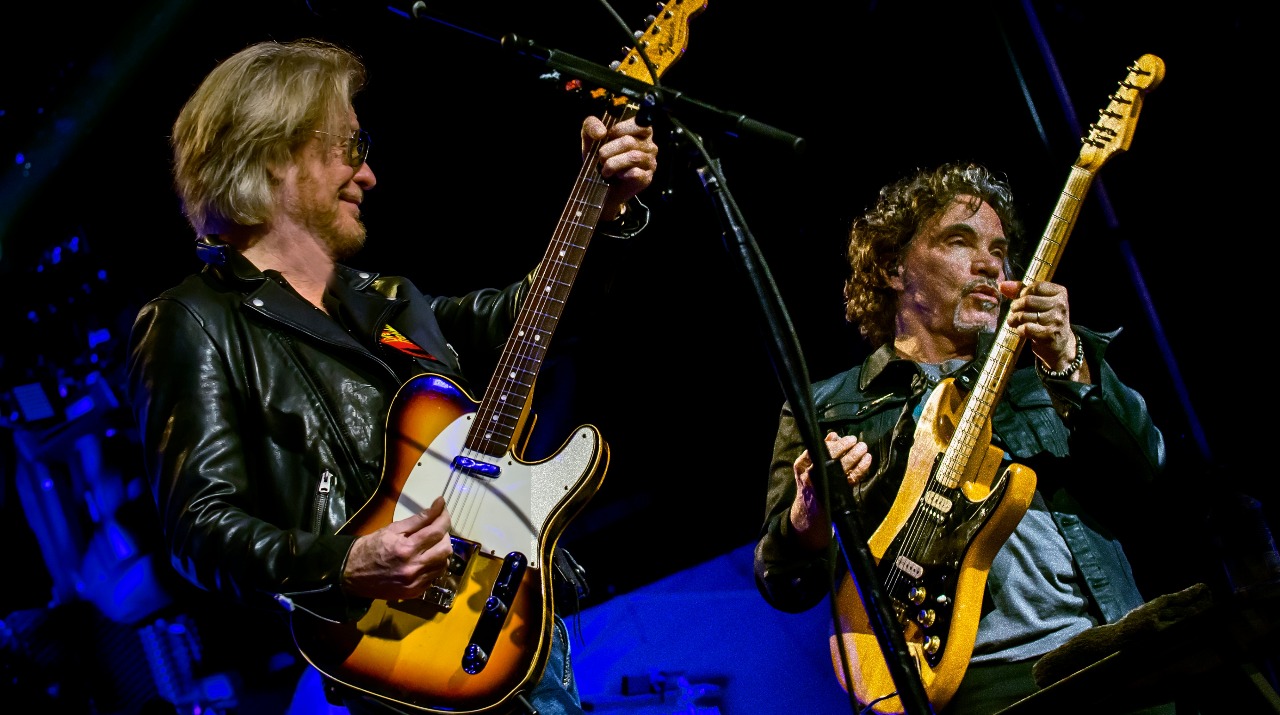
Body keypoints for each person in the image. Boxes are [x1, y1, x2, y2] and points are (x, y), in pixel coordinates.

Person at [125, 38, 658, 715]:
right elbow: (199, 526)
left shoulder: (389, 299)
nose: (369, 175)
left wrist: (600, 213)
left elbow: (527, 322)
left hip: (511, 616)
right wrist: (345, 562)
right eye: (350, 147)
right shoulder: (192, 320)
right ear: (274, 154)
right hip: (398, 651)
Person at [752, 162, 1171, 714]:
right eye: (959, 241)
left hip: (1105, 649)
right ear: (894, 268)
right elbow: (784, 583)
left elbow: (1146, 470)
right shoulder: (825, 408)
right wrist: (808, 518)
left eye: (999, 251)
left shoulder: (1043, 364)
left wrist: (1069, 362)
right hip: (968, 685)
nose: (989, 265)